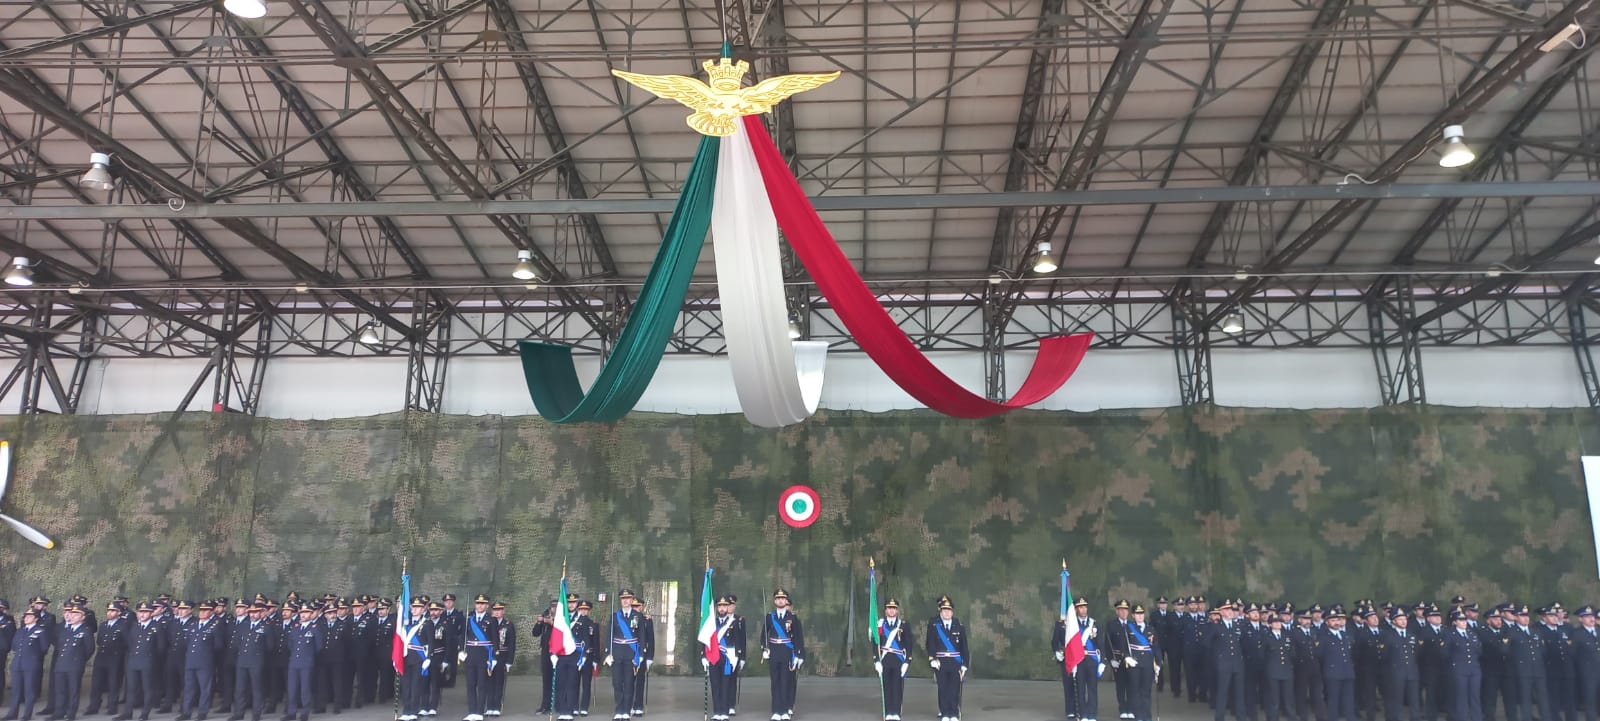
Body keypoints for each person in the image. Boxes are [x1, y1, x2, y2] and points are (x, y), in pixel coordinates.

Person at [759, 590, 804, 721]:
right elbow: (763, 635)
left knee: (785, 682)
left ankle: (784, 710)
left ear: (786, 601)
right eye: (778, 598)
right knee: (775, 683)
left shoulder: (792, 617)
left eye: (783, 598)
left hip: (787, 653)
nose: (780, 600)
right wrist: (764, 648)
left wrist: (798, 654)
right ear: (774, 601)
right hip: (774, 652)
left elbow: (798, 637)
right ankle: (776, 711)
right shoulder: (769, 617)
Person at [179, 602, 225, 721]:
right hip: (191, 661)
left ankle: (202, 712)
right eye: (201, 610)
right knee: (189, 688)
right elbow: (187, 642)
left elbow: (218, 646)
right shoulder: (193, 625)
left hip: (205, 662)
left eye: (206, 610)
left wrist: (207, 655)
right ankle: (186, 712)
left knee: (205, 689)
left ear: (211, 612)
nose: (202, 612)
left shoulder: (214, 626)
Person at [926, 595, 968, 721]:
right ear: (940, 611)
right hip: (941, 662)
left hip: (955, 662)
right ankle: (945, 713)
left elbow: (964, 647)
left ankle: (954, 713)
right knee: (943, 688)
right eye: (944, 610)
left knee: (954, 689)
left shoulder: (959, 626)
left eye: (949, 610)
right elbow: (930, 644)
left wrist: (965, 664)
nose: (947, 613)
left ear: (952, 612)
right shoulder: (935, 627)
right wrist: (932, 659)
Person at [52, 603, 95, 721]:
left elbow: (89, 649)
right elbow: (60, 646)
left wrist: (79, 660)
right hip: (61, 664)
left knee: (73, 690)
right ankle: (59, 712)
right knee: (60, 690)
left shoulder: (85, 631)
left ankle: (71, 713)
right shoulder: (66, 630)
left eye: (76, 614)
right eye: (71, 614)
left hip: (75, 665)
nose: (72, 616)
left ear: (83, 617)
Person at [703, 596, 743, 721]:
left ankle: (724, 712)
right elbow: (705, 641)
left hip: (727, 659)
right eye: (719, 606)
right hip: (713, 657)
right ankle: (717, 712)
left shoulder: (734, 623)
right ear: (717, 608)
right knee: (715, 685)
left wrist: (738, 657)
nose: (722, 608)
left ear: (727, 608)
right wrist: (704, 656)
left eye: (724, 606)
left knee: (726, 685)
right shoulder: (711, 623)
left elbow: (738, 641)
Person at [604, 591, 643, 721]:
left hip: (631, 653)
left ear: (632, 600)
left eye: (628, 598)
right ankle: (619, 710)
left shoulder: (638, 616)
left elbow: (642, 636)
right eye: (623, 598)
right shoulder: (615, 616)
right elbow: (608, 635)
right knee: (616, 683)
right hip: (617, 653)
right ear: (620, 600)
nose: (625, 601)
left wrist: (641, 654)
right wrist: (607, 653)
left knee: (629, 683)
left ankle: (626, 710)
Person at [873, 598, 913, 721]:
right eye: (889, 608)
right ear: (885, 610)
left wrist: (907, 662)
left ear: (897, 610)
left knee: (897, 687)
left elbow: (909, 644)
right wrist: (876, 660)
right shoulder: (880, 625)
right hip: (884, 660)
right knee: (886, 687)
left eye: (894, 608)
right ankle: (888, 712)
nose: (891, 610)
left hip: (898, 660)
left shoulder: (904, 625)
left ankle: (896, 712)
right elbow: (875, 643)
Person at [459, 595, 498, 721]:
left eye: (483, 604)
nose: (480, 606)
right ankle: (472, 711)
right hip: (470, 655)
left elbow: (495, 640)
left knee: (482, 685)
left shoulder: (491, 620)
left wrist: (494, 657)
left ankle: (479, 712)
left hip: (484, 655)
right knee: (470, 684)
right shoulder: (469, 619)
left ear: (487, 606)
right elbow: (463, 636)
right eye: (478, 603)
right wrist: (461, 650)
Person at [282, 604, 322, 721]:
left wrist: (309, 657)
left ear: (311, 614)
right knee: (292, 689)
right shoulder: (295, 627)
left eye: (306, 613)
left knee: (305, 689)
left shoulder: (315, 628)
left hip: (306, 662)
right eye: (302, 613)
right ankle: (292, 712)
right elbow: (290, 644)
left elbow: (318, 647)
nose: (303, 615)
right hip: (294, 662)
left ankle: (305, 712)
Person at [6, 609, 48, 721]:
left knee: (29, 691)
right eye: (26, 616)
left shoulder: (40, 631)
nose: (26, 618)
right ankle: (12, 713)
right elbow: (14, 646)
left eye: (30, 616)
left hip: (31, 664)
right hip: (17, 664)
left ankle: (27, 715)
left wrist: (32, 656)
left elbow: (44, 648)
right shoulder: (20, 631)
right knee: (15, 691)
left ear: (36, 618)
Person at [1208, 600, 1246, 721]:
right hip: (1224, 664)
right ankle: (1219, 717)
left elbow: (1243, 643)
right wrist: (1218, 656)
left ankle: (1241, 716)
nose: (1230, 612)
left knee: (1239, 692)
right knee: (1222, 692)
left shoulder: (1237, 626)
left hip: (1237, 663)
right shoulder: (1216, 626)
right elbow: (1206, 643)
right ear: (1221, 612)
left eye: (1231, 609)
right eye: (1227, 609)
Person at [87, 603, 127, 717]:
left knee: (113, 682)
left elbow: (126, 642)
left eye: (113, 611)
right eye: (108, 610)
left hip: (115, 657)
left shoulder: (123, 625)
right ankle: (94, 705)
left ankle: (112, 706)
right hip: (101, 656)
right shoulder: (103, 625)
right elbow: (99, 640)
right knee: (96, 682)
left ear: (119, 613)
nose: (109, 613)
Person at [1539, 607, 1577, 721]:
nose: (1554, 618)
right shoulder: (1541, 632)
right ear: (1544, 618)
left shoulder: (1563, 630)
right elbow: (1543, 653)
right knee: (1554, 698)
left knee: (1570, 698)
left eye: (1555, 615)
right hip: (1552, 669)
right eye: (1551, 616)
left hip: (1567, 669)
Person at [1446, 609, 1485, 721]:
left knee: (1475, 696)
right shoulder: (1450, 634)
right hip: (1459, 669)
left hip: (1474, 669)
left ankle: (1477, 718)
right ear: (1455, 622)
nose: (1464, 622)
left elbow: (1479, 651)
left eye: (1465, 620)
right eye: (1461, 620)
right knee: (1461, 696)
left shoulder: (1472, 634)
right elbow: (1445, 653)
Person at [1122, 605, 1159, 721]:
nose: (1140, 616)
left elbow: (1156, 647)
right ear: (1133, 615)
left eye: (1141, 613)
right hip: (1135, 663)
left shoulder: (1151, 629)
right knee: (1135, 691)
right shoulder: (1128, 628)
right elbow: (1123, 645)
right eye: (1137, 614)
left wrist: (1158, 663)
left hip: (1147, 663)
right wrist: (1127, 657)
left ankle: (1147, 716)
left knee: (1146, 691)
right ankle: (1138, 716)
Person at [552, 597, 586, 721]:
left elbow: (586, 639)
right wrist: (552, 654)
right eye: (569, 603)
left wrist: (584, 656)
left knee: (572, 684)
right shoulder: (560, 619)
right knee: (561, 684)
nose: (571, 605)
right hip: (561, 655)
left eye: (573, 602)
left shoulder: (582, 619)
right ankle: (563, 710)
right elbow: (555, 637)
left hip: (575, 655)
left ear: (577, 604)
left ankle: (570, 710)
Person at [399, 599, 432, 721]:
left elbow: (431, 642)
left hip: (419, 658)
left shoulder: (427, 623)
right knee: (405, 685)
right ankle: (406, 711)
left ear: (423, 609)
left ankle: (413, 711)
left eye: (418, 607)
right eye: (413, 607)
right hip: (406, 658)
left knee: (415, 686)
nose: (414, 610)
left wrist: (429, 658)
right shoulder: (405, 623)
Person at [1320, 609, 1356, 721]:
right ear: (1327, 622)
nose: (1336, 622)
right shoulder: (1323, 637)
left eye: (1337, 620)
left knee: (1349, 698)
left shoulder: (1344, 635)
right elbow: (1320, 655)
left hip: (1347, 672)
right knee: (1333, 700)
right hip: (1333, 673)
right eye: (1333, 620)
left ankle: (1351, 717)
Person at [1261, 614, 1295, 721]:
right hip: (1273, 671)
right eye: (1275, 622)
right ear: (1270, 624)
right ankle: (1273, 718)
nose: (1278, 624)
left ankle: (1291, 717)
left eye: (1279, 622)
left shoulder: (1286, 636)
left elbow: (1292, 653)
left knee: (1288, 698)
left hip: (1286, 670)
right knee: (1274, 699)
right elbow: (1262, 655)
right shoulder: (1266, 637)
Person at [530, 600, 560, 715]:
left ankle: (558, 704)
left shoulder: (563, 619)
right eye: (552, 607)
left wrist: (552, 622)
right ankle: (545, 705)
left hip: (559, 652)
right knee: (546, 680)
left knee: (559, 680)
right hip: (546, 652)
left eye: (556, 607)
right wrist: (539, 622)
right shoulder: (545, 616)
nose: (554, 609)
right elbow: (535, 633)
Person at [487, 602, 514, 718]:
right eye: (495, 610)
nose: (497, 612)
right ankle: (489, 706)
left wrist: (509, 661)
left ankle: (497, 707)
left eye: (499, 610)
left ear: (503, 611)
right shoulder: (488, 623)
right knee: (489, 682)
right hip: (489, 655)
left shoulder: (508, 625)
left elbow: (512, 644)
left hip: (502, 656)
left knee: (498, 682)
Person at [1573, 606, 1600, 721]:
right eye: (1587, 616)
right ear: (1580, 619)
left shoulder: (1598, 631)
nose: (1591, 619)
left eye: (1592, 616)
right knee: (1590, 701)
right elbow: (1573, 654)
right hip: (1588, 674)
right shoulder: (1577, 634)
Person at [628, 600, 653, 718]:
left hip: (642, 654)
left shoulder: (647, 620)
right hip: (630, 654)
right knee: (628, 681)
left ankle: (638, 706)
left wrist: (650, 657)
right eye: (633, 606)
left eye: (638, 606)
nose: (635, 608)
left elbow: (651, 640)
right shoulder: (627, 619)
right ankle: (628, 706)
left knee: (640, 682)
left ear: (642, 607)